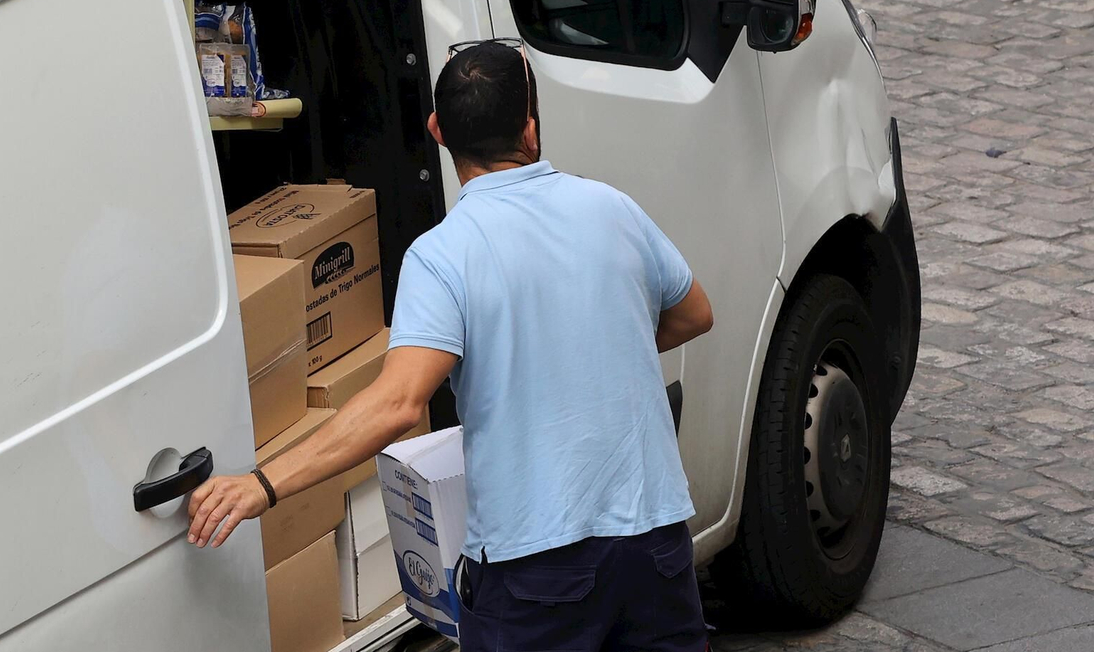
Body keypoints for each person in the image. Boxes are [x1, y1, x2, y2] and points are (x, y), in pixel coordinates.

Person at [188, 39, 715, 652]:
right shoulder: (613, 207)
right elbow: (694, 313)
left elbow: (398, 404)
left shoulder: (443, 256)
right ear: (531, 129)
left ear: (438, 131)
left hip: (536, 570)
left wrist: (264, 483)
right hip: (655, 547)